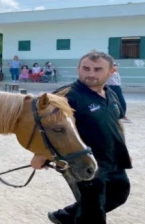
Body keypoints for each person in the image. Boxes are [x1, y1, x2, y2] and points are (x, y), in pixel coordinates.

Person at [31, 51, 132, 224]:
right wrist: (40, 154)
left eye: (98, 69)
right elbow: (45, 127)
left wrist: (123, 148)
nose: (91, 74)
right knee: (93, 212)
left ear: (111, 72)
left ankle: (64, 216)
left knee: (119, 193)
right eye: (86, 68)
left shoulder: (111, 94)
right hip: (81, 161)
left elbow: (116, 123)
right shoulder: (65, 96)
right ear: (78, 69)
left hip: (113, 157)